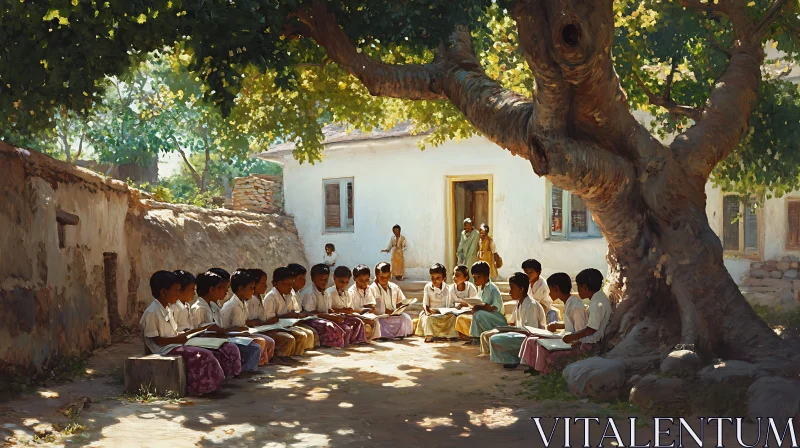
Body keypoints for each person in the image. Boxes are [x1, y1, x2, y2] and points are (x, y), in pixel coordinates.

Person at [141, 271, 225, 395]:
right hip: (163, 349)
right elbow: (157, 341)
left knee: (207, 351)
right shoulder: (152, 312)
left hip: (172, 345)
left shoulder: (167, 309)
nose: (178, 293)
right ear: (164, 292)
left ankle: (210, 385)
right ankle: (198, 387)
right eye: (176, 290)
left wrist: (185, 335)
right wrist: (179, 339)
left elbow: (172, 332)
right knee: (202, 355)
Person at [519, 270, 607, 374]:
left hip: (583, 344)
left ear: (556, 288)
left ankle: (542, 372)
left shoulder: (579, 306)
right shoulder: (571, 303)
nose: (548, 293)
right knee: (531, 340)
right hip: (572, 338)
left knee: (541, 346)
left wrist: (569, 338)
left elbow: (585, 330)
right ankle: (532, 368)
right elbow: (576, 325)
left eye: (549, 289)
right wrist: (558, 326)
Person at [192, 271, 264, 371]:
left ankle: (245, 371)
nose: (225, 291)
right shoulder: (199, 308)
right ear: (211, 290)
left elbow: (221, 328)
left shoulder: (213, 306)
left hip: (219, 339)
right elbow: (197, 332)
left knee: (254, 345)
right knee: (241, 348)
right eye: (220, 288)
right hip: (208, 342)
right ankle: (237, 374)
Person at [486, 272, 546, 369]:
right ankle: (512, 359)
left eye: (512, 288)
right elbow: (512, 322)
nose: (510, 292)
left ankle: (515, 360)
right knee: (492, 335)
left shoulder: (531, 305)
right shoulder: (519, 303)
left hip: (532, 339)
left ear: (521, 289)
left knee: (495, 339)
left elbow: (532, 331)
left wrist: (511, 331)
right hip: (522, 335)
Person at [261, 267, 315, 356]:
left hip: (285, 325)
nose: (289, 287)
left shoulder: (288, 295)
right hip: (272, 328)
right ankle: (282, 356)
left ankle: (296, 354)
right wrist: (290, 316)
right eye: (285, 284)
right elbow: (271, 319)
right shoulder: (271, 297)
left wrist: (294, 315)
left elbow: (290, 312)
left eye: (291, 284)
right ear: (275, 283)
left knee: (308, 333)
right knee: (292, 337)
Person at [297, 264, 348, 348]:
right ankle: (329, 344)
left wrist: (335, 315)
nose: (324, 282)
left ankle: (341, 344)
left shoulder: (326, 293)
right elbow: (311, 313)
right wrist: (330, 317)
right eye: (321, 279)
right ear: (313, 279)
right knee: (328, 326)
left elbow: (328, 309)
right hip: (311, 320)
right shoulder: (309, 293)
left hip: (324, 318)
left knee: (345, 325)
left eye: (326, 279)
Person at [369, 262, 414, 339]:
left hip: (394, 315)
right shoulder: (371, 289)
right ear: (376, 276)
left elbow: (401, 301)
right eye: (382, 277)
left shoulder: (395, 287)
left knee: (406, 317)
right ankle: (382, 336)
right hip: (381, 317)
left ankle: (400, 334)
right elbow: (370, 306)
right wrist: (384, 311)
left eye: (387, 277)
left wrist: (399, 308)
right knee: (377, 322)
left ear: (390, 275)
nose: (385, 279)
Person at [466, 261, 507, 345]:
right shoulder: (481, 289)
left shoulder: (493, 289)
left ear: (485, 277)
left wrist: (480, 307)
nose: (475, 280)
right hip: (488, 317)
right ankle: (476, 338)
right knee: (476, 313)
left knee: (479, 314)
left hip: (498, 319)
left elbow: (495, 308)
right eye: (474, 277)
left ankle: (487, 337)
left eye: (478, 277)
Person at [325, 265, 368, 345]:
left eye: (347, 282)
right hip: (333, 318)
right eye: (341, 281)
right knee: (346, 328)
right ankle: (345, 343)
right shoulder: (329, 293)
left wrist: (351, 311)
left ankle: (359, 341)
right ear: (334, 278)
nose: (344, 285)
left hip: (344, 317)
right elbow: (328, 310)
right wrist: (341, 310)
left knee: (358, 321)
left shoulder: (347, 294)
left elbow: (348, 308)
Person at [416, 263, 457, 342]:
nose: (434, 280)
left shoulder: (449, 288)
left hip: (443, 314)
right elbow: (425, 303)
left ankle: (450, 335)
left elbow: (450, 305)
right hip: (431, 313)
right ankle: (429, 335)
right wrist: (427, 311)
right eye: (432, 278)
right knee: (427, 319)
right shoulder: (428, 287)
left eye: (438, 278)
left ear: (444, 278)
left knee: (453, 317)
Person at [287, 263, 321, 348]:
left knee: (312, 332)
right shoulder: (288, 294)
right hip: (289, 323)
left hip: (297, 320)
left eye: (304, 278)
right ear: (292, 280)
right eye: (300, 278)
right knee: (308, 333)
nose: (304, 281)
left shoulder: (297, 293)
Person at [347, 264, 382, 340]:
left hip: (367, 315)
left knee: (374, 319)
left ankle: (371, 337)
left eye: (367, 280)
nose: (364, 283)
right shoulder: (351, 292)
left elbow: (371, 305)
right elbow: (350, 311)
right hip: (355, 315)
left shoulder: (369, 289)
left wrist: (372, 308)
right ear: (354, 278)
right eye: (361, 280)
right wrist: (361, 311)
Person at [451, 265, 480, 337]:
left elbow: (475, 303)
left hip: (469, 312)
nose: (454, 277)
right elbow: (450, 304)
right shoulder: (451, 288)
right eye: (454, 274)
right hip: (455, 313)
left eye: (457, 275)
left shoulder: (470, 287)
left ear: (465, 278)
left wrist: (464, 304)